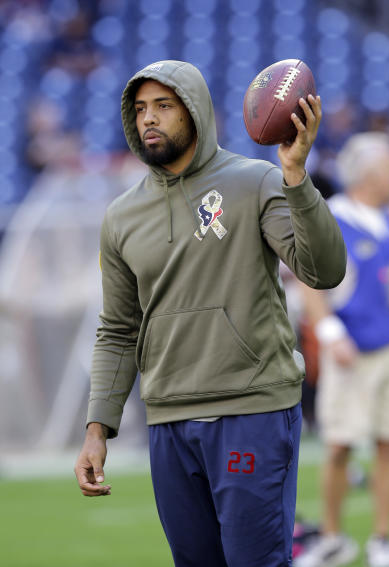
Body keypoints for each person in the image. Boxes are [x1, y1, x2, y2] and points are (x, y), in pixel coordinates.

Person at [74, 60, 346, 567]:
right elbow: (117, 329)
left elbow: (323, 270)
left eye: (163, 106)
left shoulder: (257, 180)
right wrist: (97, 429)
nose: (148, 119)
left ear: (194, 112)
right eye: (139, 110)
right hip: (168, 421)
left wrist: (295, 176)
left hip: (252, 412)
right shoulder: (121, 217)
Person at [295, 132, 389, 567]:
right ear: (370, 172)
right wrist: (329, 332)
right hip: (352, 346)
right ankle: (332, 536)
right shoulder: (334, 216)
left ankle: (382, 538)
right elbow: (309, 277)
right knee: (339, 444)